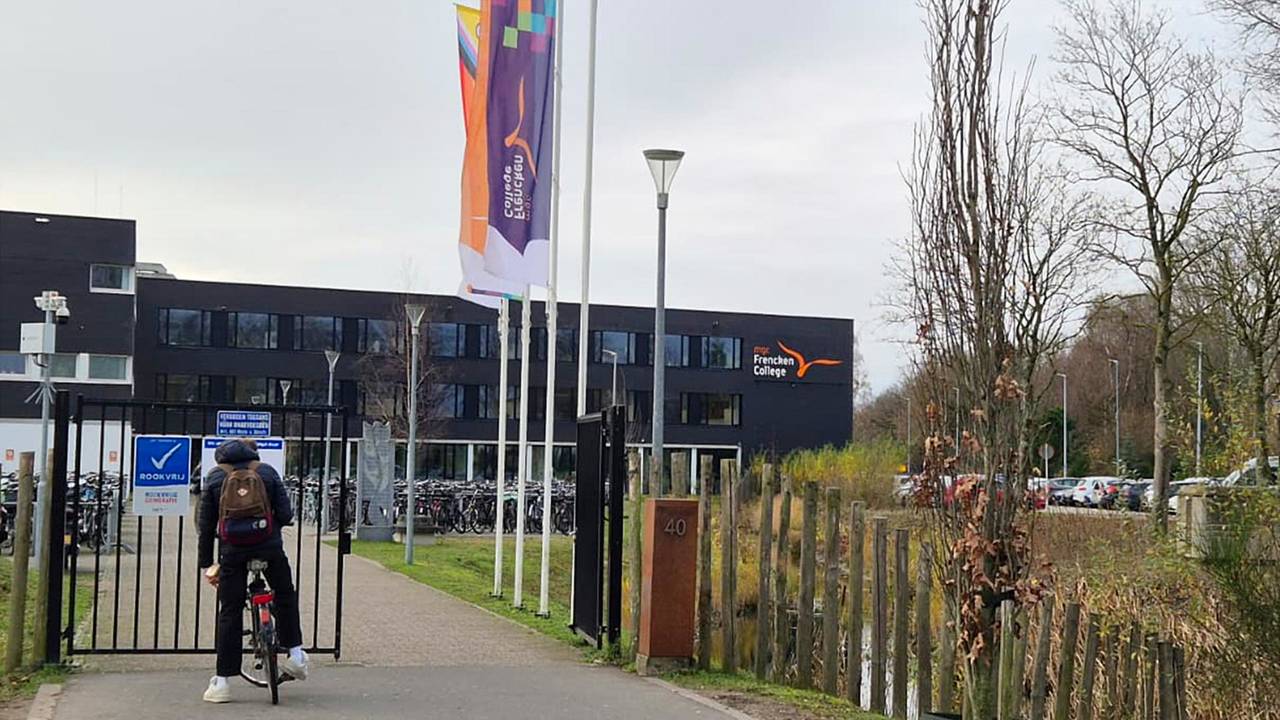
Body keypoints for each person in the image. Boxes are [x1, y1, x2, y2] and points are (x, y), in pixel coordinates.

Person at [198, 438, 308, 703]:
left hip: (233, 552)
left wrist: (207, 563)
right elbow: (286, 513)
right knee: (284, 594)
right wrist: (270, 529)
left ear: (220, 458)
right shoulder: (267, 472)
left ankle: (223, 683)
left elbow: (205, 526)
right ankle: (295, 655)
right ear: (251, 453)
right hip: (269, 548)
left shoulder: (215, 477)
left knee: (230, 610)